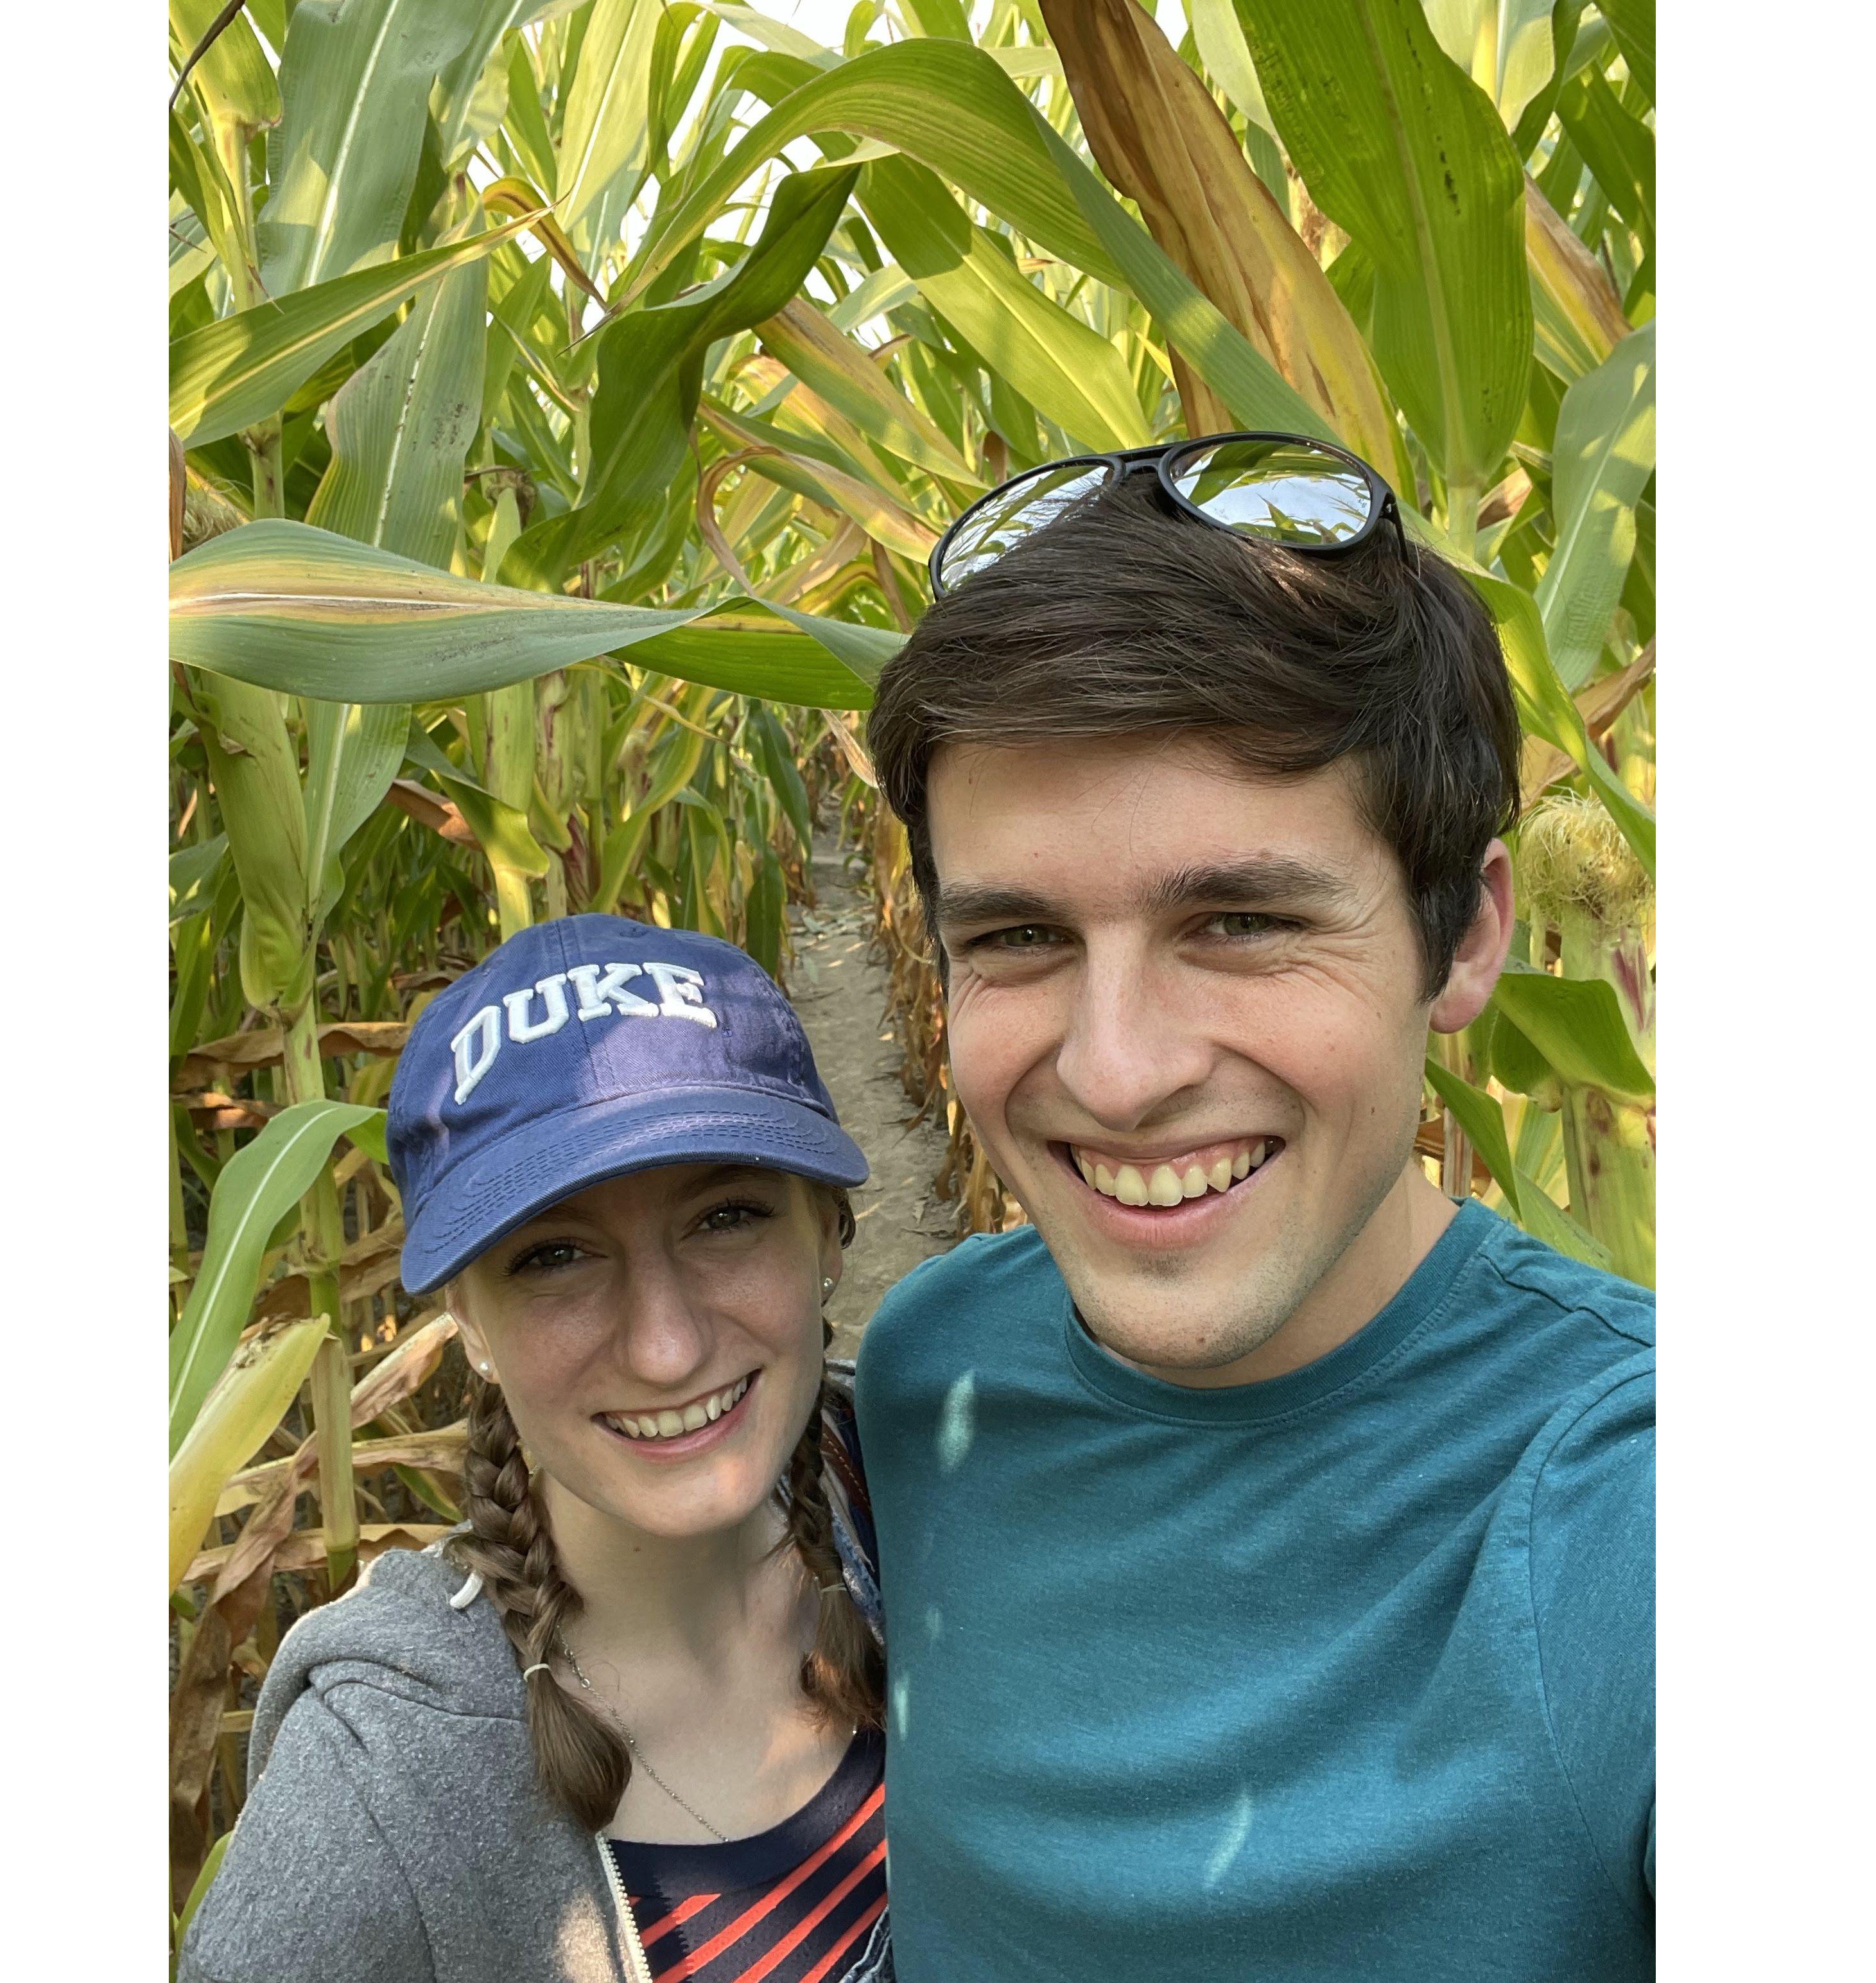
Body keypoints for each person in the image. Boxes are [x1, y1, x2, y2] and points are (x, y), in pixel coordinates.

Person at [855, 435, 1655, 1980]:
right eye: (1016, 936)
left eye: (1237, 921)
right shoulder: (929, 1368)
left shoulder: (1637, 1508)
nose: (1118, 1068)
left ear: (1465, 937)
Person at [181, 916, 894, 1983]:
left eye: (727, 1217)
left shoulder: (915, 1484)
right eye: (556, 1255)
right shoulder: (376, 1800)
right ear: (463, 1316)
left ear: (831, 1234)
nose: (666, 1348)